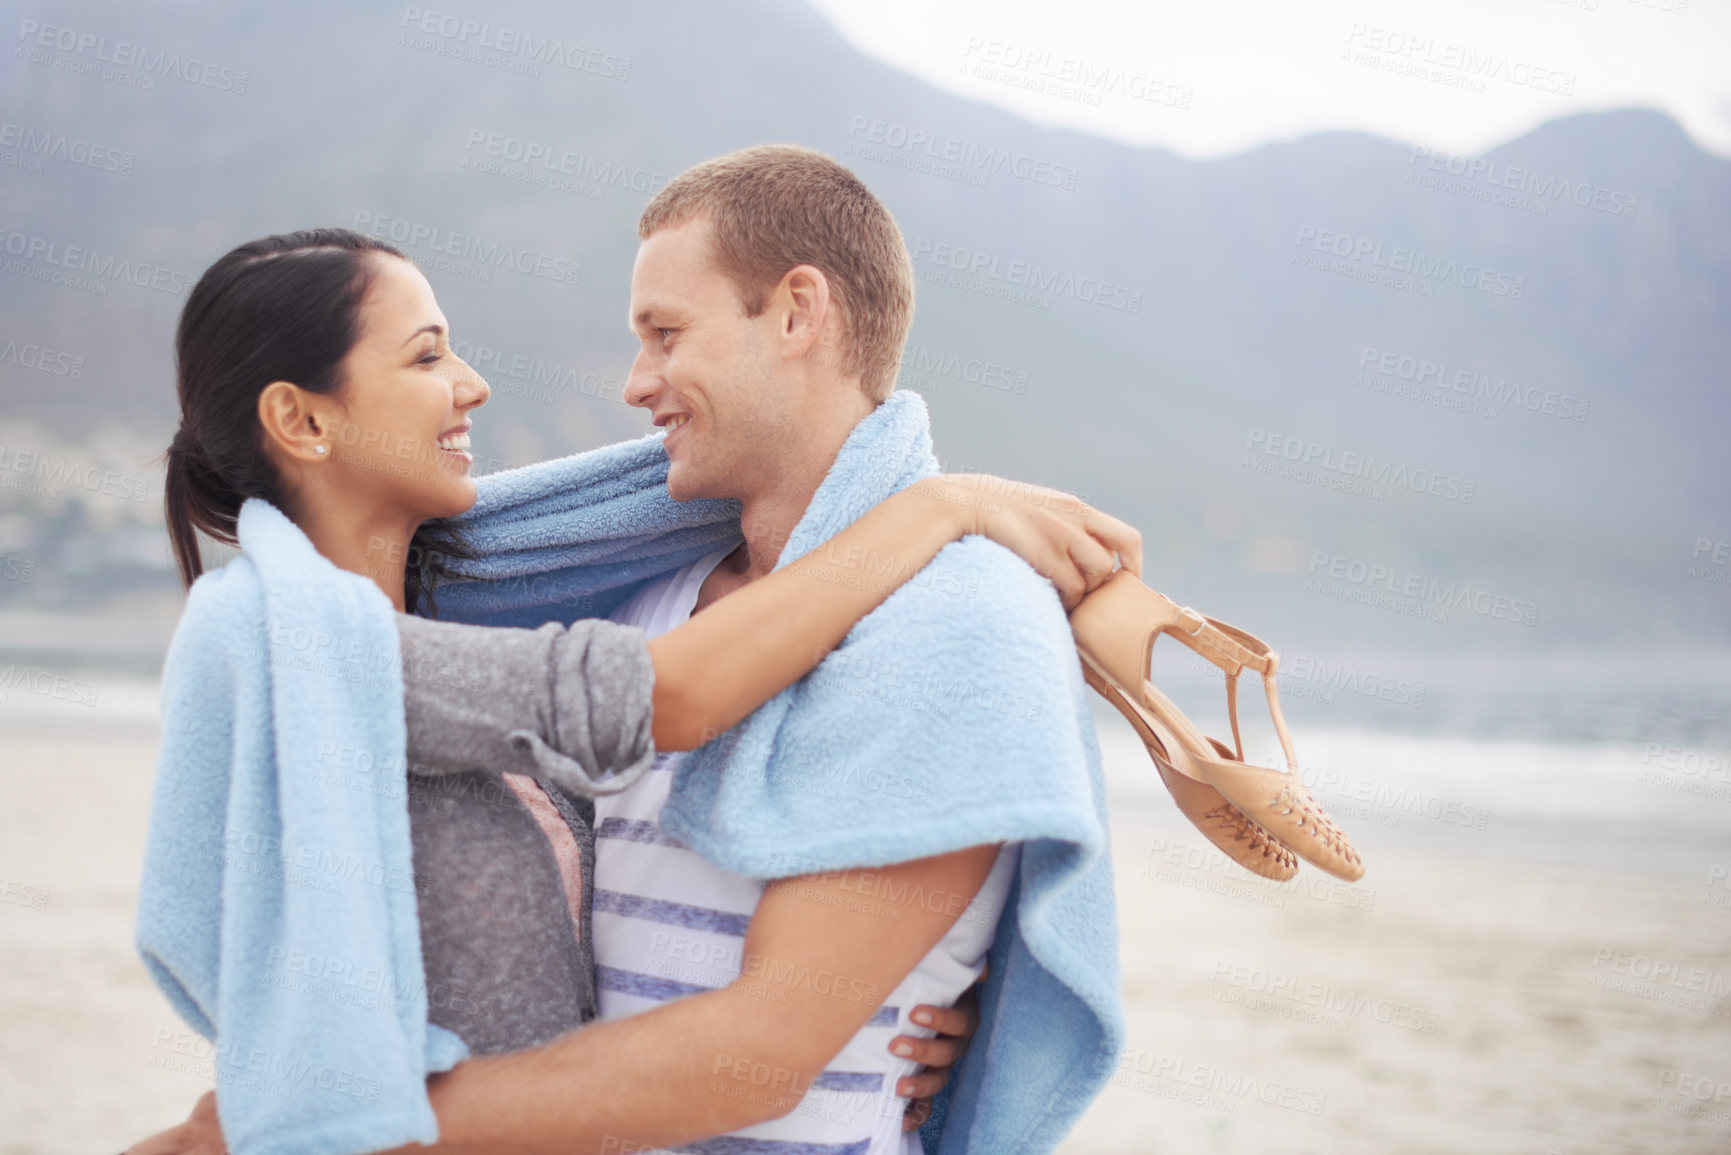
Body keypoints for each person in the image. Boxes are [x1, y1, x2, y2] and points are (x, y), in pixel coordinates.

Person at [128, 216, 1138, 1155]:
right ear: (300, 421)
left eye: (665, 332)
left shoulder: (466, 637)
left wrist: (910, 986)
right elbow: (671, 698)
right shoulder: (292, 645)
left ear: (798, 314)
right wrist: (934, 506)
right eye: (427, 355)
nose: (473, 385)